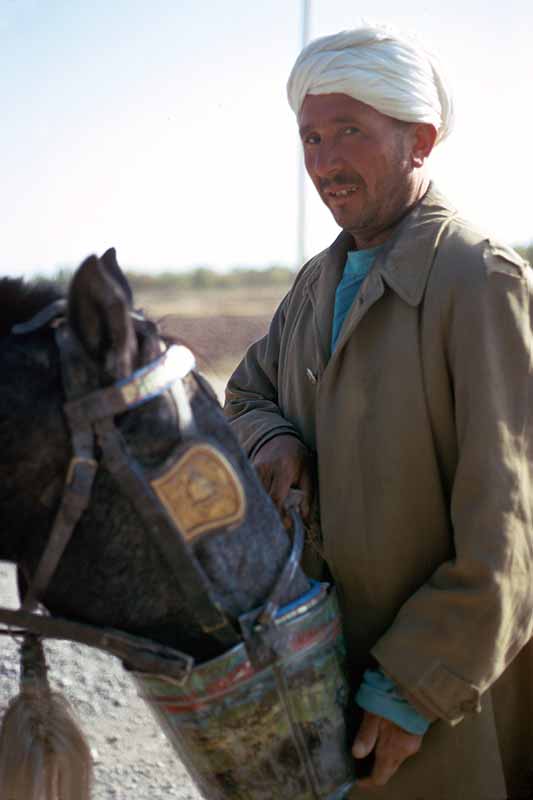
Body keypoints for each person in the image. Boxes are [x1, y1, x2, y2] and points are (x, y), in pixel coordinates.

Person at [224, 22, 533, 800]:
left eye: (349, 133)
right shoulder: (312, 286)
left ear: (419, 140)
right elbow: (246, 392)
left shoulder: (478, 280)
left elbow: (510, 529)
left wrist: (410, 695)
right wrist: (275, 437)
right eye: (311, 137)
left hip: (436, 707)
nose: (324, 163)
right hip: (319, 679)